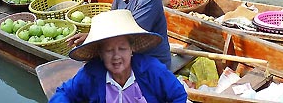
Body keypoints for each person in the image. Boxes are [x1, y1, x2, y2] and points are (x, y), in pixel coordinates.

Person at [50, 9, 186, 103]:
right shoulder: (92, 73)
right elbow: (64, 93)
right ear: (101, 54)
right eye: (109, 50)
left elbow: (178, 95)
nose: (116, 56)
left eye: (122, 49)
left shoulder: (151, 69)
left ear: (131, 49)